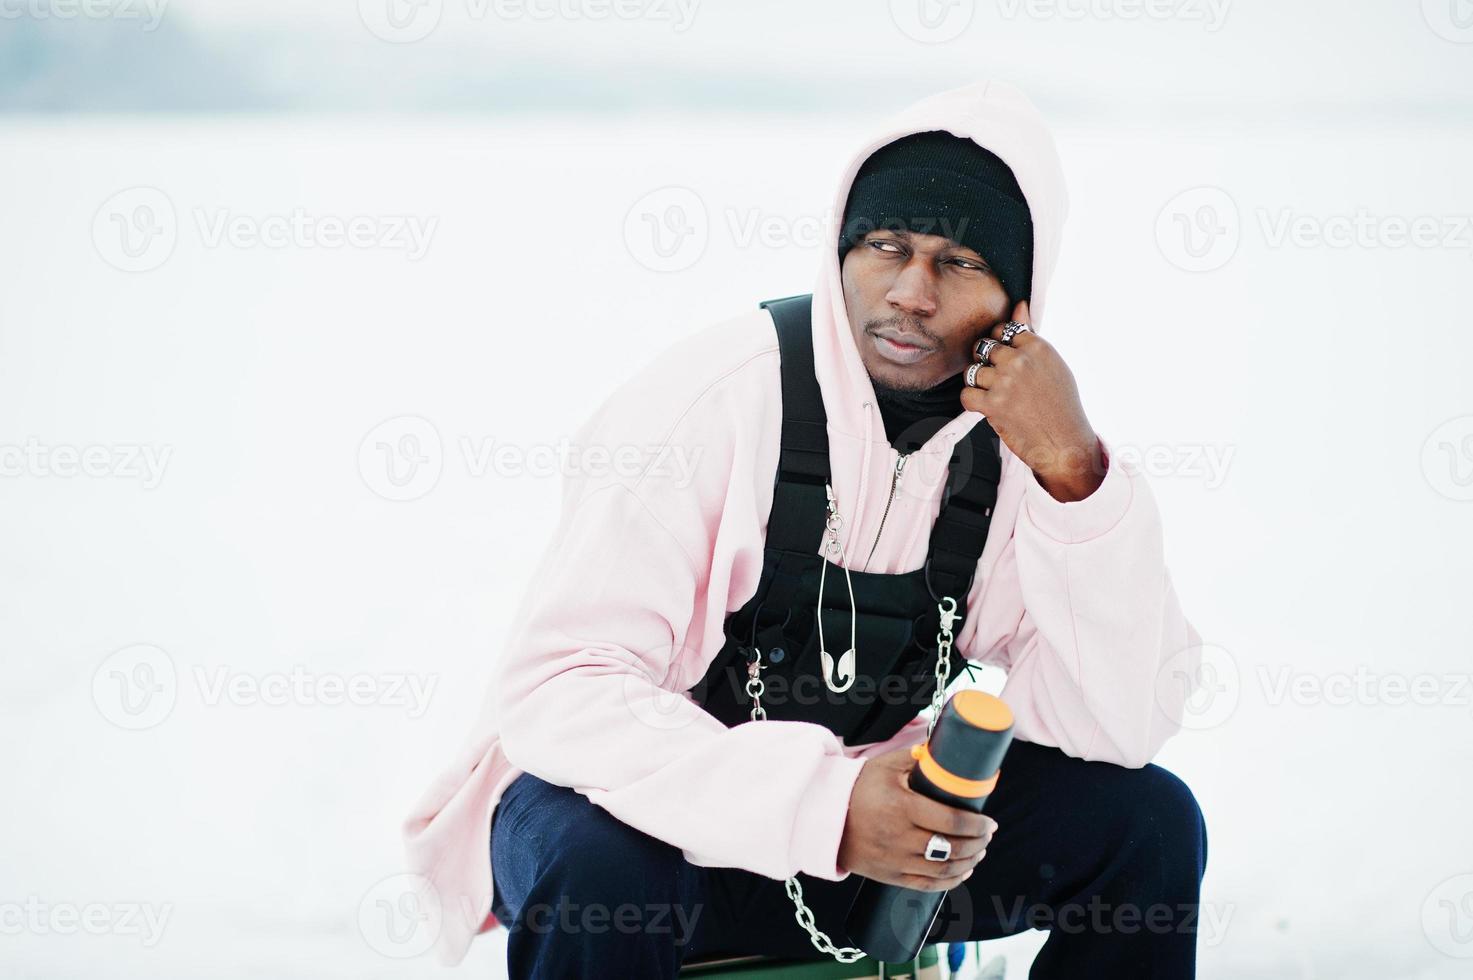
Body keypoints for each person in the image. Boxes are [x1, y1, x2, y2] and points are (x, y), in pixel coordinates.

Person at [401, 78, 1208, 979]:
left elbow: (1117, 722)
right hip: (635, 836)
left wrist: (1076, 478)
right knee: (598, 872)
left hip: (858, 859)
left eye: (961, 262)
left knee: (1148, 825)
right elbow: (559, 690)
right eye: (884, 245)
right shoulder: (712, 402)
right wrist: (823, 804)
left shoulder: (1021, 453)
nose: (909, 291)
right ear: (837, 253)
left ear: (1020, 301)